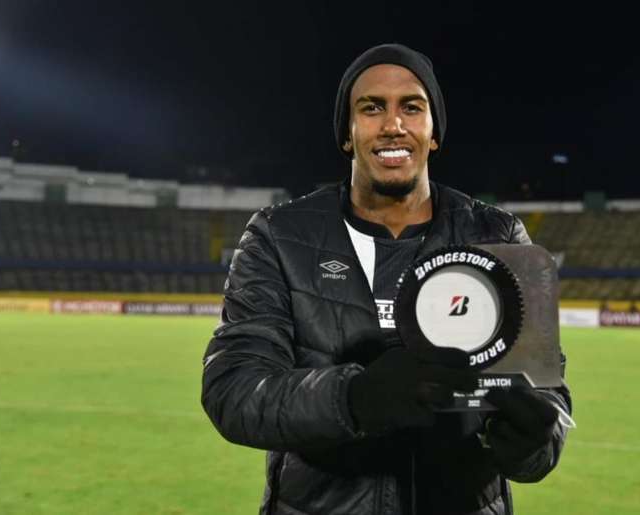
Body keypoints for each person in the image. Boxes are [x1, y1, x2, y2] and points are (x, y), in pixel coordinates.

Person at [201, 43, 572, 515]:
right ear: (347, 133)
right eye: (372, 108)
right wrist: (353, 399)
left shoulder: (498, 236)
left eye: (412, 108)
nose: (393, 124)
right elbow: (234, 389)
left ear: (433, 132)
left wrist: (532, 444)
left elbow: (547, 398)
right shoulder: (279, 236)